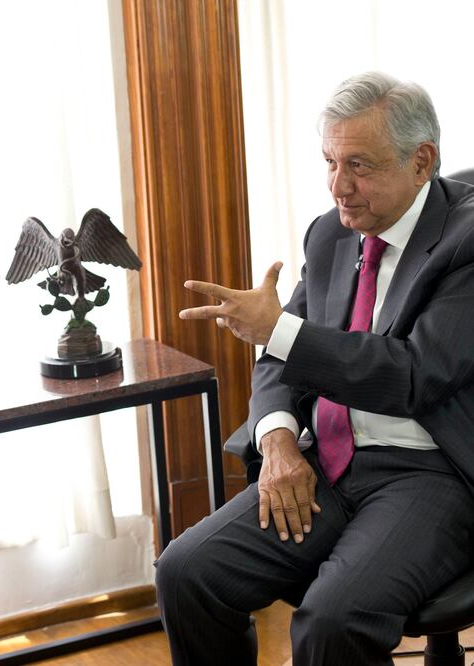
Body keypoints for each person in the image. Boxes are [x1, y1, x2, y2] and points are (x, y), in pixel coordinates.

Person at [161, 72, 474, 665]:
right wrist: (277, 438)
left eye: (359, 165)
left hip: (432, 472)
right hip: (327, 459)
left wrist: (274, 328)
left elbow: (410, 376)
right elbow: (284, 359)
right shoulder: (330, 234)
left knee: (330, 623)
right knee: (187, 573)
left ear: (422, 161)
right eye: (329, 161)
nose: (338, 186)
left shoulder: (467, 242)